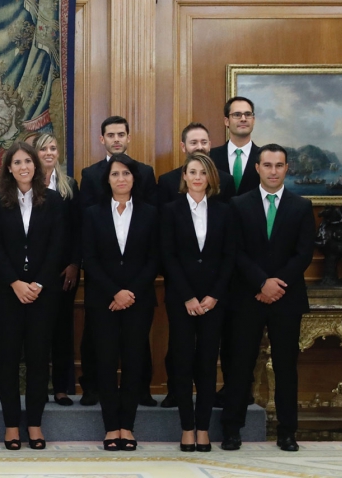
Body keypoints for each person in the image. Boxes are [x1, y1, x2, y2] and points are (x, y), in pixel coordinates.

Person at [221, 144, 315, 452]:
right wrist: (262, 282)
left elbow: (303, 254)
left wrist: (277, 284)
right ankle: (232, 429)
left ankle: (287, 432)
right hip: (248, 297)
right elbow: (234, 251)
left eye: (279, 165)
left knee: (286, 366)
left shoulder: (302, 206)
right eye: (268, 165)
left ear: (287, 168)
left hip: (286, 299)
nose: (273, 171)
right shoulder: (238, 204)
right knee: (240, 365)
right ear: (258, 168)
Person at [0, 142, 65, 450]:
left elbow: (57, 247)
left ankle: (34, 424)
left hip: (42, 294)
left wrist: (39, 284)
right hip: (7, 293)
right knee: (7, 360)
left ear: (36, 166)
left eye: (28, 162)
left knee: (37, 360)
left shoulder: (54, 201)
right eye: (17, 162)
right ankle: (10, 426)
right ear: (9, 167)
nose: (23, 167)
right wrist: (16, 283)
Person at [78, 116, 158, 408]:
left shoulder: (146, 173)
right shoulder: (90, 175)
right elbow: (87, 235)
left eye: (121, 134)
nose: (116, 139)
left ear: (128, 137)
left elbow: (151, 237)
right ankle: (93, 388)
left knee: (138, 343)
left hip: (138, 280)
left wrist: (132, 288)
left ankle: (141, 390)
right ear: (102, 139)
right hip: (103, 282)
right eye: (110, 134)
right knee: (97, 340)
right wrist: (112, 288)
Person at [160, 153, 236, 452]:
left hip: (213, 300)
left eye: (202, 173)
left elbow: (228, 256)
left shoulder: (225, 211)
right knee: (182, 361)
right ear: (184, 176)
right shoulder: (170, 210)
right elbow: (168, 256)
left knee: (206, 363)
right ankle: (187, 428)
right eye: (191, 172)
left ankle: (203, 428)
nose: (196, 177)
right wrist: (188, 297)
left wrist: (213, 295)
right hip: (182, 299)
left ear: (210, 178)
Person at [209, 96, 261, 408]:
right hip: (216, 258)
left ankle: (240, 389)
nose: (242, 119)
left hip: (253, 259)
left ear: (253, 120)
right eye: (236, 114)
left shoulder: (265, 158)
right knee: (221, 331)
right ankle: (222, 388)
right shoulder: (210, 158)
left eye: (248, 114)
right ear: (226, 121)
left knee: (246, 334)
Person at [33, 133, 82, 406]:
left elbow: (78, 230)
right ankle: (37, 387)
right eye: (43, 149)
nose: (49, 153)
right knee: (37, 333)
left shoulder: (69, 186)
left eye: (53, 148)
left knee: (62, 331)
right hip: (34, 274)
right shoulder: (27, 185)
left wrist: (75, 264)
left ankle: (62, 388)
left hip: (63, 273)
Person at [157, 123, 234, 205]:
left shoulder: (226, 181)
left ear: (209, 145)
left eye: (204, 142)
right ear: (183, 147)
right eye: (194, 143)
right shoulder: (167, 181)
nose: (200, 147)